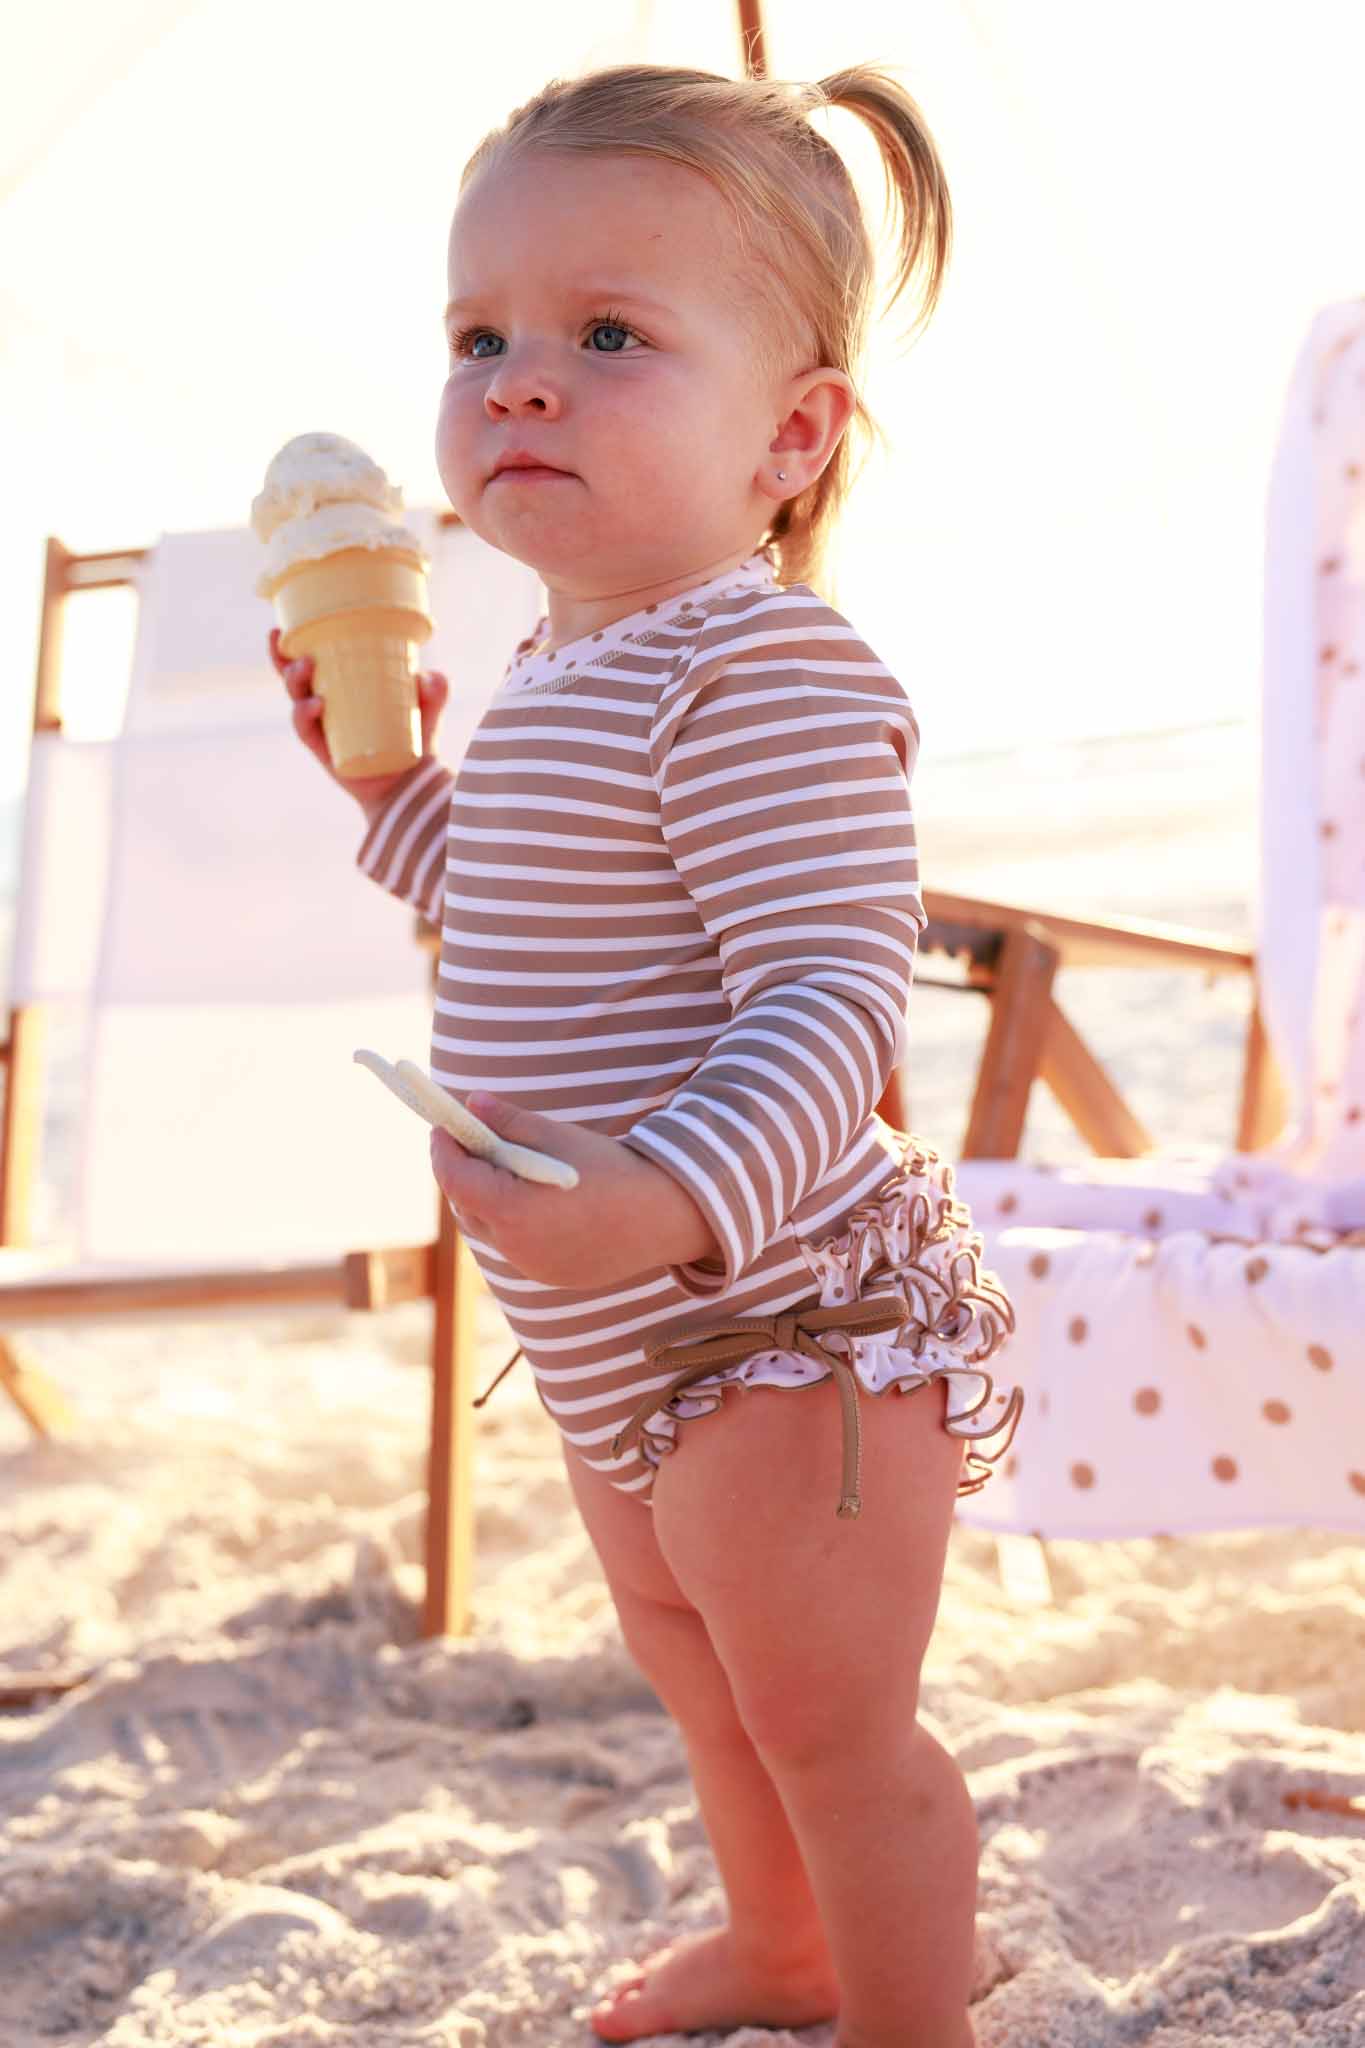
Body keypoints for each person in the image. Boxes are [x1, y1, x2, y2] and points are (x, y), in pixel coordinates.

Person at [271, 60, 1022, 2048]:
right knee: (695, 1670)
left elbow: (829, 995)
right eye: (480, 338)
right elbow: (530, 909)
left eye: (608, 335)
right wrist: (390, 791)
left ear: (790, 434)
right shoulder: (558, 669)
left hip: (778, 1319)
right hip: (617, 1329)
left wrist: (673, 1193)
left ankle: (905, 2016)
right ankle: (783, 1949)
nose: (521, 382)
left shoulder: (758, 665)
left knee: (829, 1725)